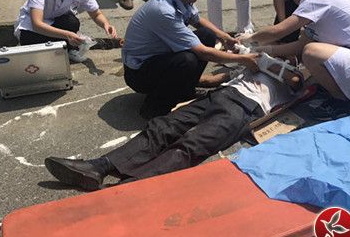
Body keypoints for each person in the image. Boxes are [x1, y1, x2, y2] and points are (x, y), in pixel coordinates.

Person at [44, 67, 301, 191]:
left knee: (192, 144)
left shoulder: (299, 64)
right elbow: (217, 76)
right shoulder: (258, 54)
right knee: (162, 126)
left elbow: (297, 80)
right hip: (221, 93)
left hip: (247, 107)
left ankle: (128, 188)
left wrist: (269, 56)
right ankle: (99, 166)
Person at [122, 0, 260, 119]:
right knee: (187, 60)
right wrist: (243, 59)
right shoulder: (164, 11)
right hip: (138, 74)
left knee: (208, 35)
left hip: (156, 59)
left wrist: (224, 37)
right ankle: (154, 108)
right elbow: (203, 52)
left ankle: (184, 91)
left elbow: (197, 20)